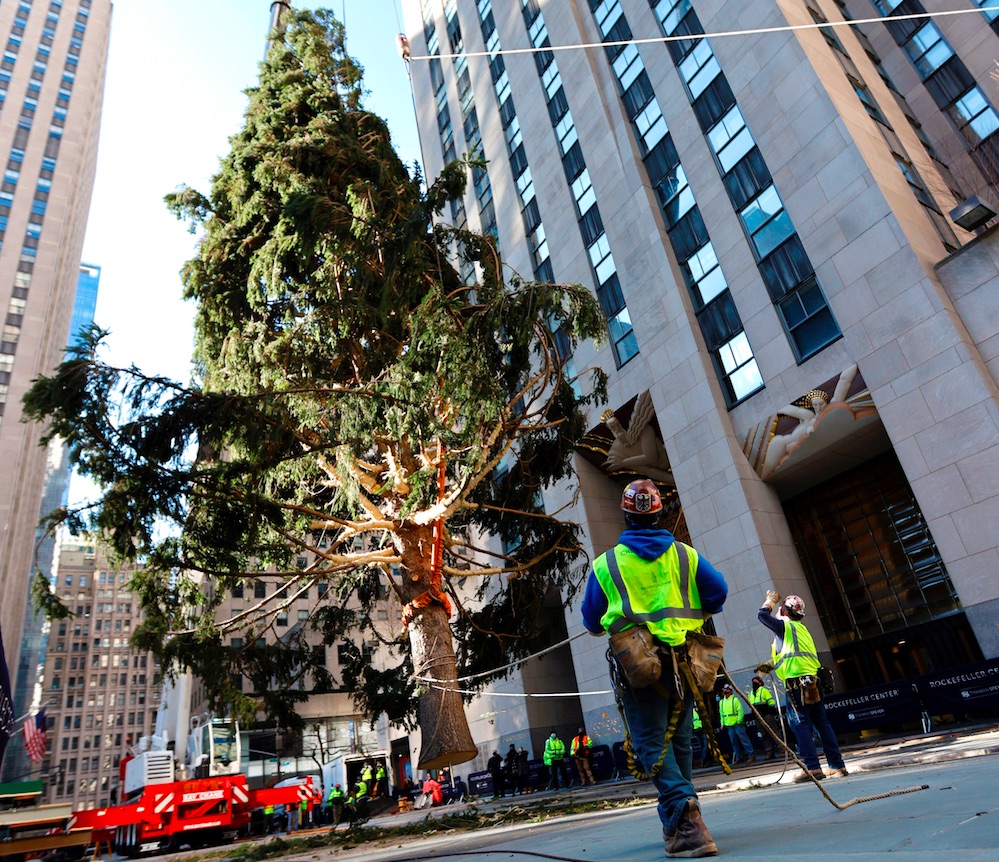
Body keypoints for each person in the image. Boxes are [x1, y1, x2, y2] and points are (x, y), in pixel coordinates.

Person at [582, 478, 728, 858]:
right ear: (660, 513)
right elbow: (718, 593)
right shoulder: (685, 555)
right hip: (683, 661)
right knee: (678, 740)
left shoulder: (607, 563)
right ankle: (679, 822)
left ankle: (687, 816)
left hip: (641, 665)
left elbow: (592, 620)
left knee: (650, 744)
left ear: (626, 514)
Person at [758, 591, 848, 783]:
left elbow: (762, 616)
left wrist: (769, 601)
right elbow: (794, 655)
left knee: (800, 725)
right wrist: (771, 664)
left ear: (785, 610)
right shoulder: (801, 629)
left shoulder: (785, 626)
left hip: (796, 686)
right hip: (812, 682)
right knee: (822, 724)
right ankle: (837, 765)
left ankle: (813, 768)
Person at [718, 684, 754, 765]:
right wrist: (722, 723)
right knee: (734, 741)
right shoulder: (722, 702)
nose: (726, 692)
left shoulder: (735, 700)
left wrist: (739, 720)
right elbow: (722, 713)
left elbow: (740, 711)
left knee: (744, 739)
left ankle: (751, 755)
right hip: (729, 724)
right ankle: (739, 757)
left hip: (737, 723)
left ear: (731, 691)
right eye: (725, 690)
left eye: (727, 690)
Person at [748, 675, 779, 759]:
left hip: (766, 714)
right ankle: (769, 752)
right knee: (764, 734)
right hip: (758, 716)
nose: (754, 683)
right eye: (753, 682)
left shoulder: (764, 690)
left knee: (774, 732)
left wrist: (771, 711)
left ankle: (783, 749)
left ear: (760, 683)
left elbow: (771, 701)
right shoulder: (751, 693)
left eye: (756, 681)